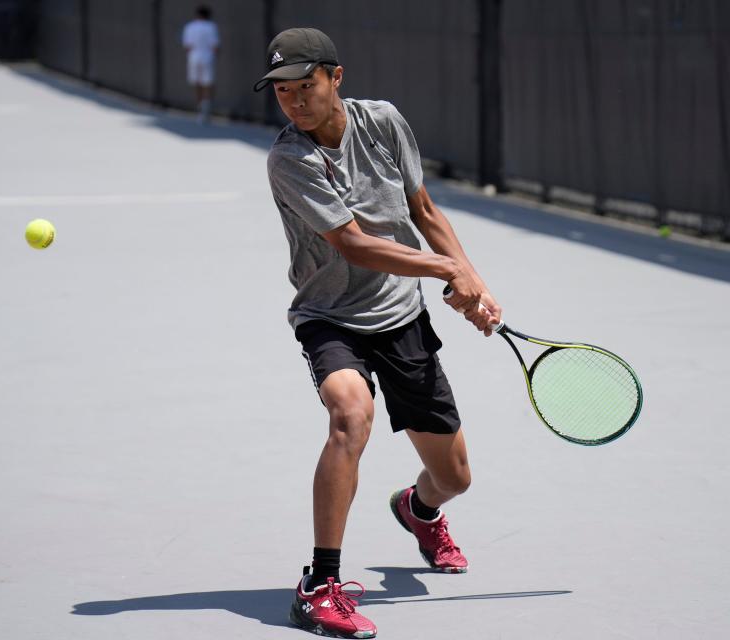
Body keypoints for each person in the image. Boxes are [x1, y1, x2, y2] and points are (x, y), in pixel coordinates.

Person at [255, 28, 502, 639]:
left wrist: (474, 281)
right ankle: (321, 585)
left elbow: (424, 212)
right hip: (330, 318)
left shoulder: (384, 122)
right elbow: (355, 246)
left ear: (336, 78)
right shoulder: (290, 159)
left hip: (401, 320)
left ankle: (418, 512)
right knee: (350, 416)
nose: (294, 101)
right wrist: (446, 270)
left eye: (305, 87)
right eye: (282, 92)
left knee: (454, 478)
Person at [181, 5, 218, 124]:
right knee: (207, 83)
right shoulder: (211, 27)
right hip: (207, 56)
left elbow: (187, 46)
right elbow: (215, 46)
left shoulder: (190, 27)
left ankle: (200, 110)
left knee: (197, 83)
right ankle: (206, 109)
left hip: (194, 57)